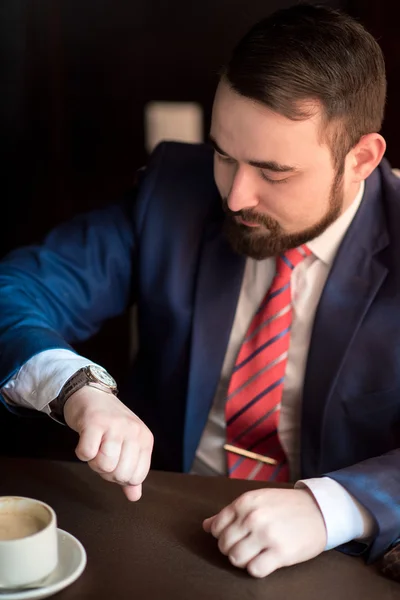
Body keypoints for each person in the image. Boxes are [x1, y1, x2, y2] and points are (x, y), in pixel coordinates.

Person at [0, 2, 399, 579]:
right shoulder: (173, 191)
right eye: (223, 154)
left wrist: (333, 507)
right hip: (155, 519)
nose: (235, 197)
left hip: (336, 556)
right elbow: (18, 290)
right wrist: (76, 389)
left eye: (273, 171)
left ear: (360, 158)